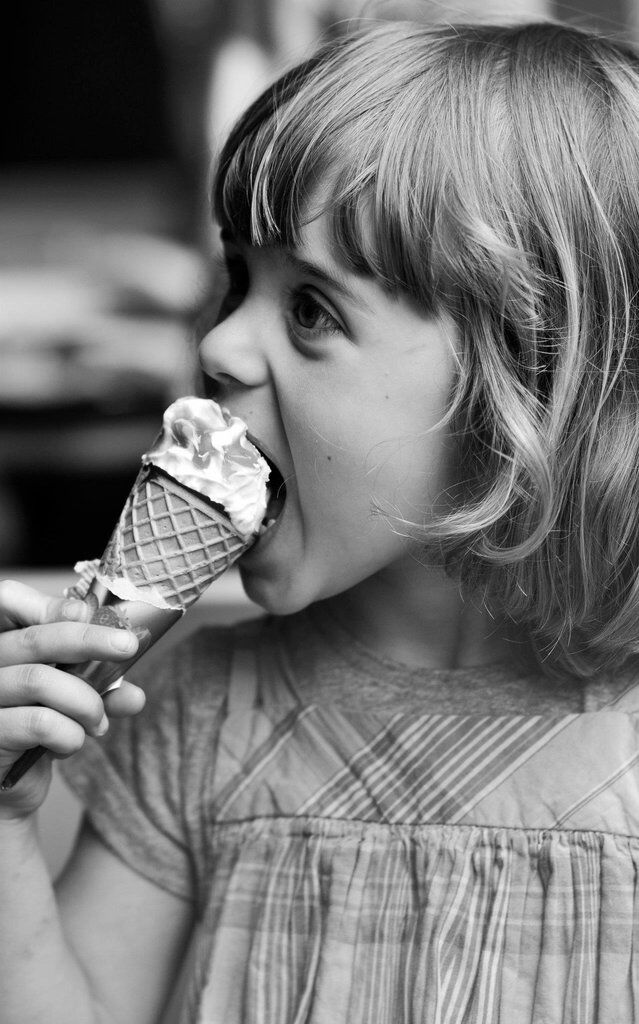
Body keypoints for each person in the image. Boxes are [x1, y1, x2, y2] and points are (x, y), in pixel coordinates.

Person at [2, 19, 639, 1024]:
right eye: (237, 281)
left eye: (311, 309)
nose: (218, 343)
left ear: (529, 387)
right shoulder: (203, 712)